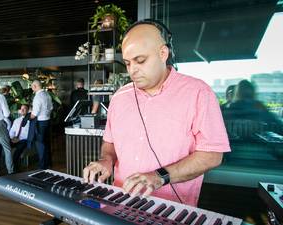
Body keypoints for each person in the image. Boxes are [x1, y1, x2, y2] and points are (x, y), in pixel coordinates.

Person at [83, 20, 230, 206]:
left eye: (140, 60)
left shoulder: (199, 93)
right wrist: (106, 160)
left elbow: (212, 155)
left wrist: (160, 176)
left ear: (163, 53)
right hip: (120, 201)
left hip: (171, 208)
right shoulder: (120, 97)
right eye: (127, 63)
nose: (132, 70)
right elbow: (109, 142)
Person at [30, 80, 53, 169]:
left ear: (35, 86)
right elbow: (51, 108)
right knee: (47, 143)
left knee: (40, 144)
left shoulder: (38, 97)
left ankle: (42, 165)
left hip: (40, 122)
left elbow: (34, 114)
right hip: (48, 121)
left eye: (32, 86)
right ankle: (48, 164)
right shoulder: (47, 94)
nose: (32, 88)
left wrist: (28, 116)